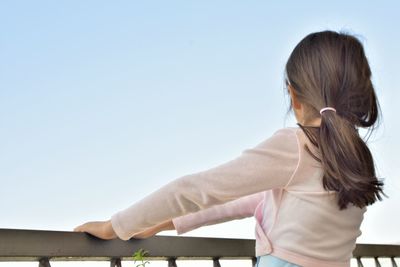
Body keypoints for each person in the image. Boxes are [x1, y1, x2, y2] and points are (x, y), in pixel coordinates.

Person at [74, 30, 386, 267]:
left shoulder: (296, 145)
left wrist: (115, 226)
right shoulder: (357, 156)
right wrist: (160, 223)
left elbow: (196, 190)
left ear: (294, 96)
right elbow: (250, 201)